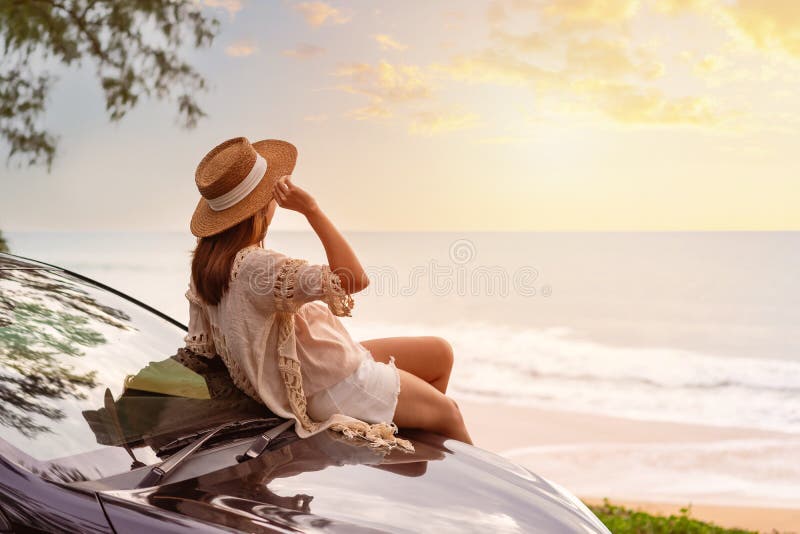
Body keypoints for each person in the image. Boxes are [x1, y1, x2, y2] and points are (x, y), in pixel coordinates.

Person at [184, 136, 472, 453]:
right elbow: (353, 279)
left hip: (320, 362)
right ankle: (478, 498)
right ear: (261, 206)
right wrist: (312, 210)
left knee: (440, 353)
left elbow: (206, 353)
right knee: (450, 412)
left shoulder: (206, 266)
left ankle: (407, 445)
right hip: (330, 384)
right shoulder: (256, 267)